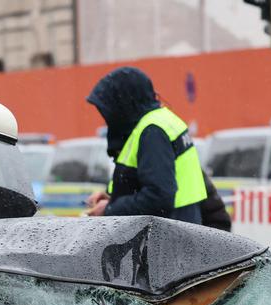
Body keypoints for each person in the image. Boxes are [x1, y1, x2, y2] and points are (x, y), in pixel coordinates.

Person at [84, 66, 207, 224]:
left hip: (168, 235)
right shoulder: (163, 120)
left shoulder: (152, 132)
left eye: (111, 110)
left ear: (124, 104)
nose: (108, 119)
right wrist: (111, 196)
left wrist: (110, 209)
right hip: (182, 227)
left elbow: (158, 197)